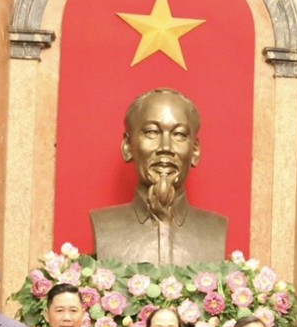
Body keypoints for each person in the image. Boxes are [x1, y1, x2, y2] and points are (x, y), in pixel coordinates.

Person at [89, 88, 228, 265]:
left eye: (179, 134)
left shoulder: (215, 229)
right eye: (151, 132)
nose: (166, 147)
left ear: (195, 151)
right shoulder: (104, 225)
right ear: (127, 147)